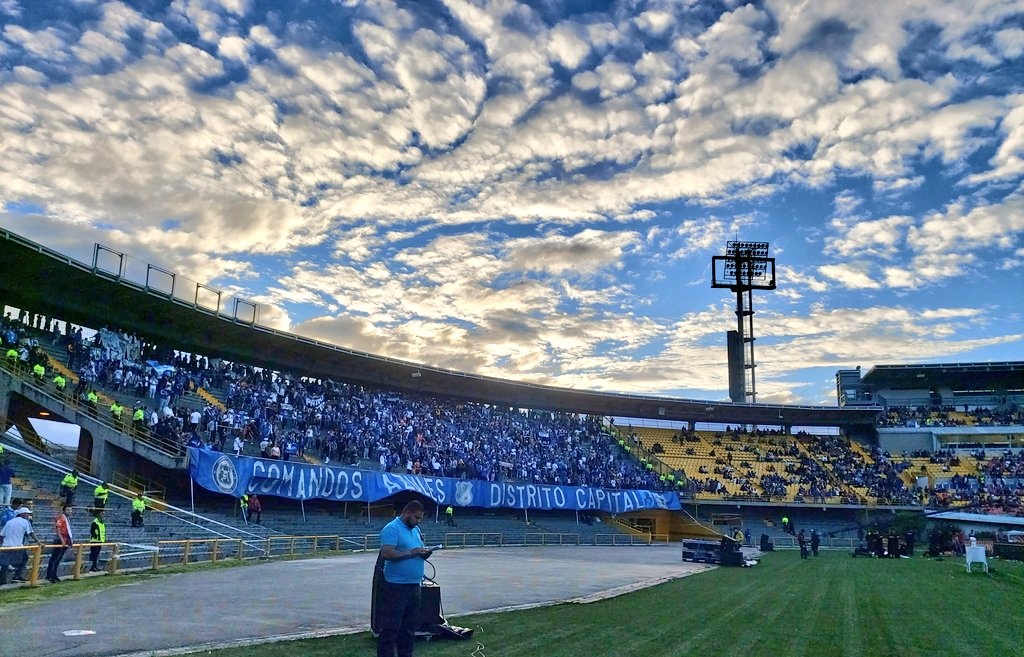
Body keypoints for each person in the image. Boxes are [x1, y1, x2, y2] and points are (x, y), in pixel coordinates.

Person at [377, 500, 432, 657]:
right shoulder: (392, 529)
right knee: (390, 627)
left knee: (409, 628)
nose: (418, 521)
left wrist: (424, 553)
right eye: (417, 517)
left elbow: (417, 550)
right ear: (407, 513)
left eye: (420, 518)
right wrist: (411, 553)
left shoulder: (415, 530)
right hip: (396, 587)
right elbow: (387, 553)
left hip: (414, 585)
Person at [0, 507, 41, 584]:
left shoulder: (9, 522)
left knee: (5, 564)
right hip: (17, 545)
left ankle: (2, 580)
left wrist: (2, 544)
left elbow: (1, 535)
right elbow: (31, 533)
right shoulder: (25, 522)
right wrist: (39, 542)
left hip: (6, 545)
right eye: (27, 513)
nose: (28, 515)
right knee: (24, 559)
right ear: (22, 514)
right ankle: (17, 575)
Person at [46, 504, 74, 583]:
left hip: (65, 540)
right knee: (54, 558)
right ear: (64, 510)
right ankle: (50, 575)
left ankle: (54, 574)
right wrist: (62, 540)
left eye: (70, 510)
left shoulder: (67, 519)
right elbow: (58, 530)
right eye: (68, 510)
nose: (70, 511)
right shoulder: (61, 518)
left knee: (58, 559)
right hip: (60, 540)